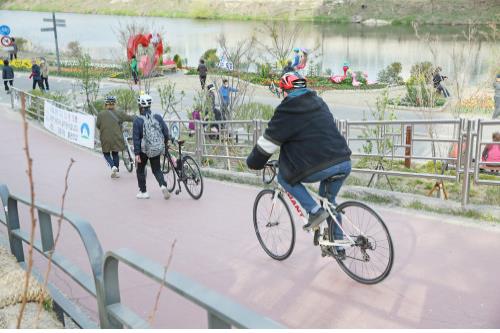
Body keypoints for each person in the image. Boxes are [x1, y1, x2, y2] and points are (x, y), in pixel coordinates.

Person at [246, 72, 352, 255]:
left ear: (285, 91)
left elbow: (268, 144)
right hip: (343, 160)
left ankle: (313, 210)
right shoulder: (319, 102)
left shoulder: (287, 110)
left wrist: (253, 162)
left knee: (285, 178)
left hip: (321, 165)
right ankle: (338, 246)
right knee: (330, 202)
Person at [132, 94, 171, 200]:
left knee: (140, 170)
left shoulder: (137, 120)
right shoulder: (157, 117)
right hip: (156, 148)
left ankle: (143, 192)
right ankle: (163, 185)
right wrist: (165, 142)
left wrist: (136, 153)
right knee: (156, 169)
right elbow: (165, 131)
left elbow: (136, 139)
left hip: (143, 150)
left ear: (140, 106)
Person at [96, 96, 135, 179]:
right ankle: (116, 170)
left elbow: (98, 125)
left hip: (105, 137)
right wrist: (138, 118)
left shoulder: (101, 114)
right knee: (115, 153)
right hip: (117, 137)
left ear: (106, 104)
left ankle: (113, 166)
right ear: (114, 104)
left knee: (106, 154)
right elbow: (130, 118)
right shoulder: (119, 113)